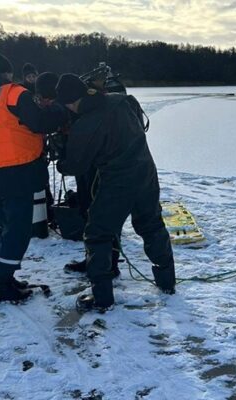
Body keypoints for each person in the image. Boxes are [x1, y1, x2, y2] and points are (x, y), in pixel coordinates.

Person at [55, 73, 175, 312]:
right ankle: (167, 282)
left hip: (118, 182)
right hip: (146, 172)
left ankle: (102, 297)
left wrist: (60, 155)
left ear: (69, 102)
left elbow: (75, 166)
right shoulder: (122, 100)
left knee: (98, 234)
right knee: (152, 226)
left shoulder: (86, 124)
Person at [0, 52, 67, 302]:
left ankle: (6, 278)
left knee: (7, 228)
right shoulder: (13, 92)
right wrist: (59, 110)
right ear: (6, 73)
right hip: (20, 169)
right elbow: (40, 122)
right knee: (18, 231)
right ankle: (4, 285)